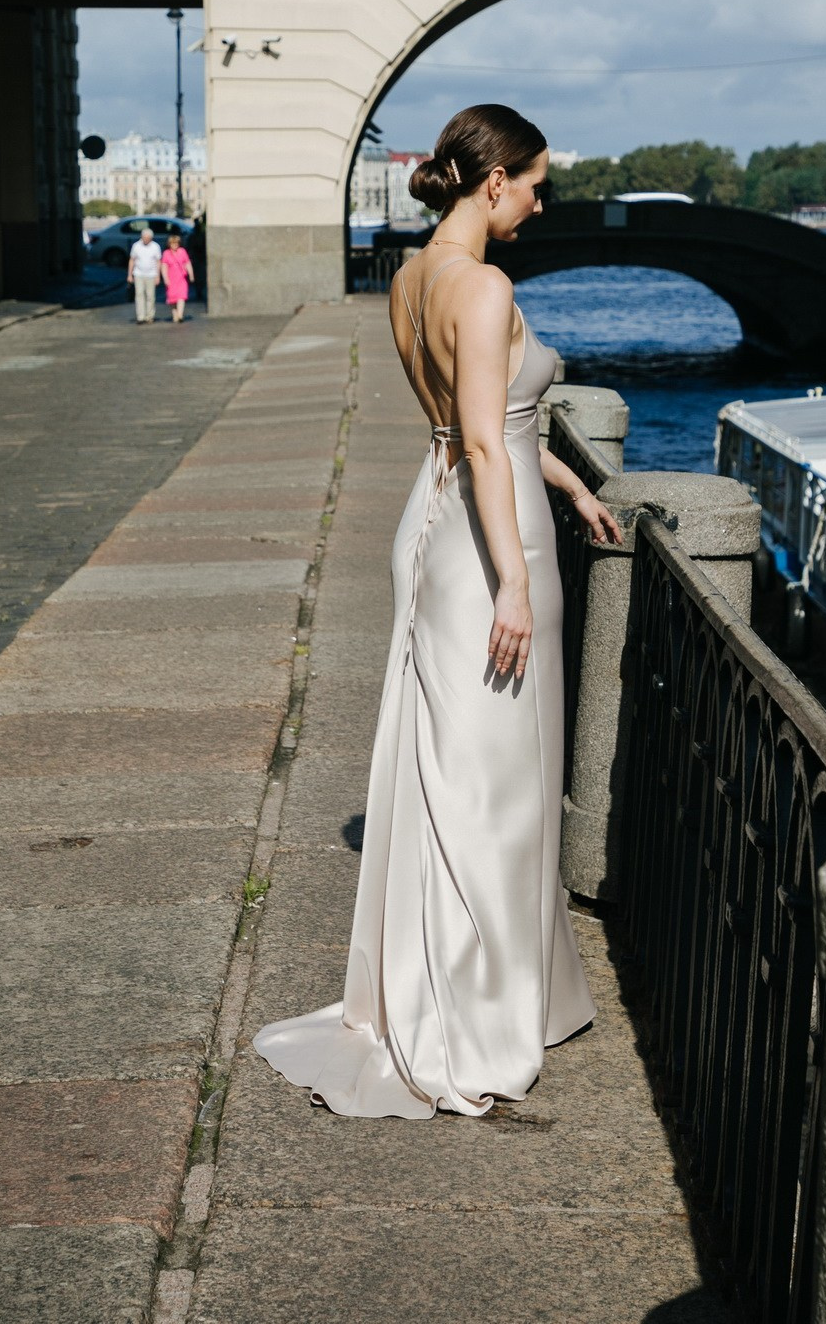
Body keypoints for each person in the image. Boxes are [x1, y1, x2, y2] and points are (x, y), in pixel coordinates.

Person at [255, 104, 623, 1118]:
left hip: (437, 522)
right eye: (537, 184)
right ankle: (478, 1013)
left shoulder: (414, 277)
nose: (543, 203)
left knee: (455, 762)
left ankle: (481, 989)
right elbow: (486, 438)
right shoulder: (489, 284)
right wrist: (513, 576)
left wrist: (570, 482)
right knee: (498, 778)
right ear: (494, 179)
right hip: (485, 542)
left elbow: (478, 420)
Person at [127, 226, 162, 324]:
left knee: (150, 296)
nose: (146, 239)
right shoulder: (136, 246)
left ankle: (150, 316)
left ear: (151, 238)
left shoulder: (155, 246)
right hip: (138, 274)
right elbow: (132, 260)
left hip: (151, 274)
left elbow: (158, 261)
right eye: (144, 237)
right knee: (139, 295)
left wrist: (158, 275)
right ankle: (140, 316)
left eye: (148, 238)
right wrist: (129, 275)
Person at [160, 230, 194, 324]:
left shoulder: (182, 251)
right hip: (171, 279)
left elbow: (187, 263)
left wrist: (191, 275)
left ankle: (180, 314)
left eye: (176, 243)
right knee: (172, 298)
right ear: (169, 244)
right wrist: (166, 278)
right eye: (173, 243)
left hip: (181, 278)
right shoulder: (166, 253)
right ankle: (175, 314)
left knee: (181, 297)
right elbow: (164, 267)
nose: (175, 245)